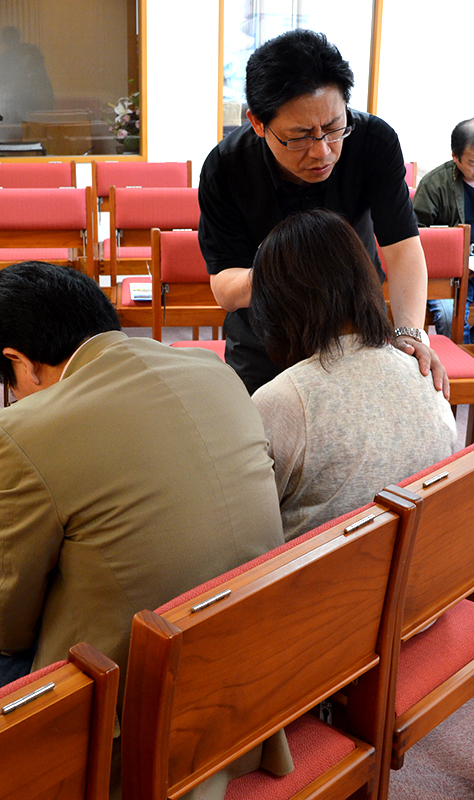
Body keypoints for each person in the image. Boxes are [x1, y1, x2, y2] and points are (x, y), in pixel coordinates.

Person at [0, 262, 288, 798]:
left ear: (18, 362)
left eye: (8, 382)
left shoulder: (22, 432)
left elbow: (2, 632)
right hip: (245, 694)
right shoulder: (214, 371)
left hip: (125, 729)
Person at [198, 28, 447, 398]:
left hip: (358, 330)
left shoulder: (373, 141)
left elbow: (402, 247)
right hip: (267, 340)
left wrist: (410, 331)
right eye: (299, 136)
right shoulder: (227, 167)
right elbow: (226, 289)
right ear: (257, 122)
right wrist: (297, 271)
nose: (322, 151)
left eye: (333, 128)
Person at [250, 210, 457, 541]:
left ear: (278, 303)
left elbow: (247, 530)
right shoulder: (426, 376)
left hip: (318, 587)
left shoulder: (285, 400)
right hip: (418, 583)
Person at [413, 118, 474, 342]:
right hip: (450, 276)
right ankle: (459, 363)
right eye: (473, 163)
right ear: (455, 157)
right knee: (449, 316)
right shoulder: (434, 184)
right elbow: (416, 236)